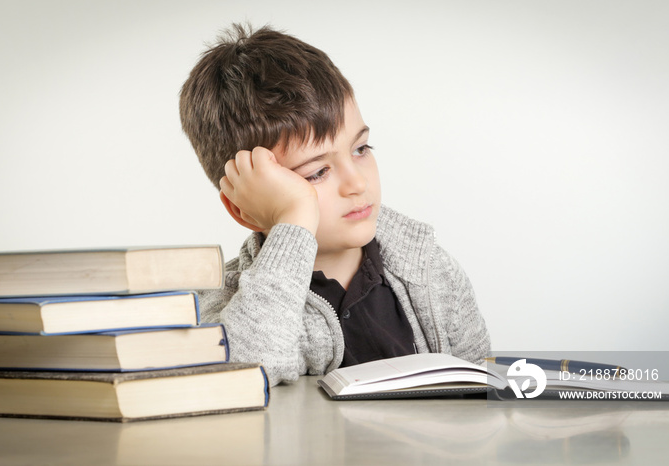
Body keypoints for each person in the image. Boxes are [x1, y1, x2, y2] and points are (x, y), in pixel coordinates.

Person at [179, 23, 490, 386]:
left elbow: (479, 389)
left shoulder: (428, 269)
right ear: (244, 208)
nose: (358, 183)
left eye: (360, 149)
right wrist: (293, 221)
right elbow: (242, 377)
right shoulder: (230, 304)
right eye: (316, 173)